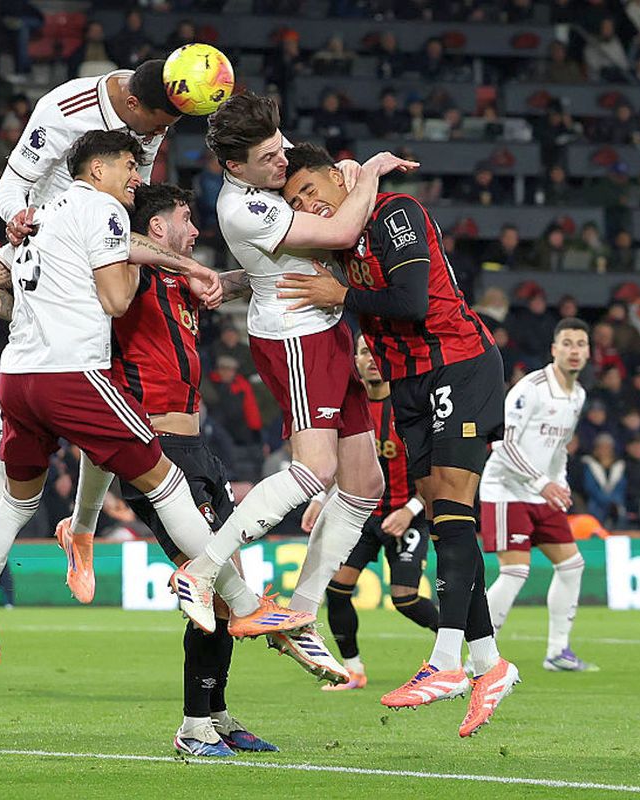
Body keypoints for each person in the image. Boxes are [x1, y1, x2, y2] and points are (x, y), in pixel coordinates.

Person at [0, 132, 307, 693]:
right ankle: (243, 601)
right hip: (75, 373)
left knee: (11, 508)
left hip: (18, 377)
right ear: (98, 167)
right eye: (130, 165)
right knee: (165, 481)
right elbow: (115, 300)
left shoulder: (38, 216)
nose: (136, 176)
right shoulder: (104, 208)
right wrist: (124, 268)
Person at [171, 94, 415, 684]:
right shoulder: (242, 208)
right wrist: (370, 171)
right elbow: (342, 229)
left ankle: (301, 615)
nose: (281, 160)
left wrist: (343, 175)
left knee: (365, 483)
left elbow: (288, 249)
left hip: (328, 329)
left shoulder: (266, 180)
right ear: (236, 167)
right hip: (294, 338)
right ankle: (200, 571)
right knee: (315, 471)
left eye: (280, 145)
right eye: (268, 155)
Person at [276, 142, 515, 737]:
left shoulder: (393, 213)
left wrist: (342, 296)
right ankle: (489, 666)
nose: (308, 204)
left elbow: (409, 301)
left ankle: (446, 663)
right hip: (408, 385)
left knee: (455, 515)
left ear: (340, 179)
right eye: (295, 200)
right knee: (444, 522)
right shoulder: (336, 245)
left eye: (312, 191)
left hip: (457, 364)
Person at [51, 183, 291, 756]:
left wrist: (267, 268)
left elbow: (225, 282)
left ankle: (219, 715)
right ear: (157, 228)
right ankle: (192, 728)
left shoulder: (179, 282)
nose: (196, 228)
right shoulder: (127, 274)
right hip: (153, 450)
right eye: (186, 218)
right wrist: (178, 259)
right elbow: (122, 241)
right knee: (208, 582)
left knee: (224, 581)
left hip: (197, 445)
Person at [312, 337, 438, 692]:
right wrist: (320, 498)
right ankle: (353, 670)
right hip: (364, 516)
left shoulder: (410, 408)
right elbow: (333, 461)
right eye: (365, 352)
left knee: (405, 599)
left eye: (377, 351)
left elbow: (433, 472)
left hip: (409, 514)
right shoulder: (348, 410)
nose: (371, 359)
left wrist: (410, 511)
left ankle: (461, 651)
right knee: (337, 591)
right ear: (355, 358)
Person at [478, 319, 598, 672]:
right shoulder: (530, 388)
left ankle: (558, 652)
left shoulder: (578, 396)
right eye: (568, 343)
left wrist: (559, 483)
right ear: (554, 349)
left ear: (588, 352)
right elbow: (501, 442)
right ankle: (480, 655)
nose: (574, 351)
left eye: (581, 344)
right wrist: (541, 482)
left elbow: (561, 448)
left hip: (541, 492)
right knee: (515, 571)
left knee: (572, 565)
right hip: (506, 490)